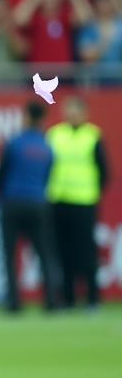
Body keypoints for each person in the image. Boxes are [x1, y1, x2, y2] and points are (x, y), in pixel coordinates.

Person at [47, 96, 111, 310]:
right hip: (59, 199)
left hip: (84, 201)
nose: (71, 115)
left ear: (85, 113)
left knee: (86, 252)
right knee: (63, 252)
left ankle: (93, 298)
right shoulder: (55, 134)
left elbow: (104, 171)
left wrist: (94, 192)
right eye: (68, 110)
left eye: (75, 111)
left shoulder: (92, 136)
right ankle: (68, 298)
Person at [0, 101, 58, 312]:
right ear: (42, 119)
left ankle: (14, 303)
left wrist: (1, 195)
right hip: (38, 203)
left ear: (27, 117)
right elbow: (49, 174)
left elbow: (1, 174)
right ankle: (51, 301)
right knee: (44, 254)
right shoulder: (47, 146)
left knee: (10, 255)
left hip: (12, 203)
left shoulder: (14, 143)